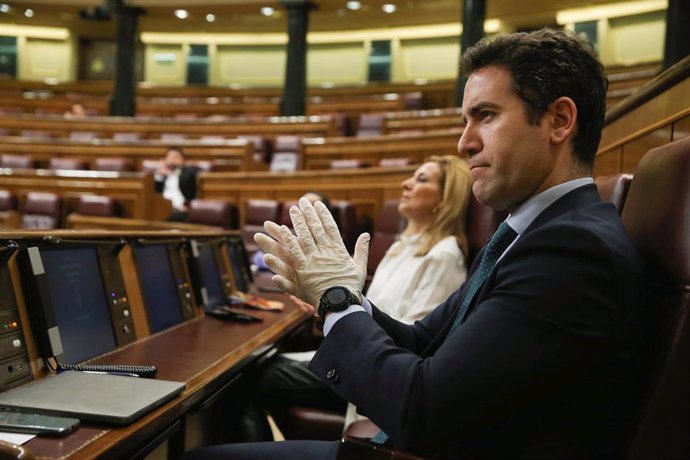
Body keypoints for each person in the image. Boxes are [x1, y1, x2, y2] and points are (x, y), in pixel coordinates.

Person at [182, 28, 651, 460]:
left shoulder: (571, 250)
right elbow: (423, 340)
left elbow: (424, 411)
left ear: (559, 120)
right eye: (465, 120)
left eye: (485, 116)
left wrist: (337, 301)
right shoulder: (532, 234)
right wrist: (341, 298)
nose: (464, 142)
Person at [242, 156, 472, 442]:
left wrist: (338, 305)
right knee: (256, 370)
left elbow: (418, 341)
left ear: (445, 198)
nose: (406, 183)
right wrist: (327, 303)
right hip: (358, 349)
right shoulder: (401, 246)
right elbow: (372, 309)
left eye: (422, 179)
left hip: (375, 365)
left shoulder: (444, 256)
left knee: (252, 378)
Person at [251, 192, 331, 271]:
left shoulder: (329, 240)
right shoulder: (288, 232)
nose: (304, 208)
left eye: (310, 205)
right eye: (301, 204)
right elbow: (258, 256)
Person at [153, 146, 200, 222]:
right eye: (169, 156)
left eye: (176, 157)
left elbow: (197, 173)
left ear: (182, 160)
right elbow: (155, 192)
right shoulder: (162, 175)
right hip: (163, 207)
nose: (172, 159)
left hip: (180, 208)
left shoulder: (189, 173)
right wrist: (159, 176)